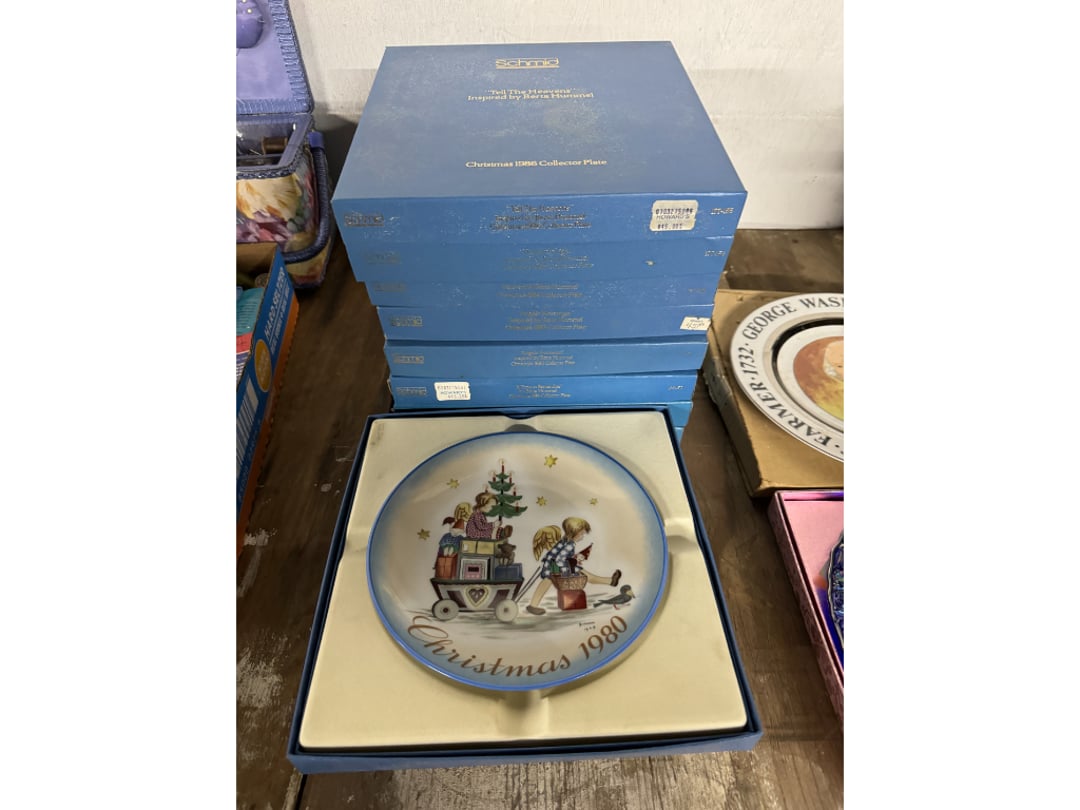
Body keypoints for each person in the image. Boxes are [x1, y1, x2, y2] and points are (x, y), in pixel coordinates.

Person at [526, 517, 620, 615]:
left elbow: (560, 556)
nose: (583, 536)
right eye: (582, 533)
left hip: (551, 565)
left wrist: (572, 561)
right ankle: (610, 581)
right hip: (554, 567)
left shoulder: (565, 540)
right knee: (584, 575)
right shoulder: (570, 544)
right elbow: (559, 560)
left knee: (547, 581)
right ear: (575, 532)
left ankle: (610, 581)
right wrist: (571, 565)